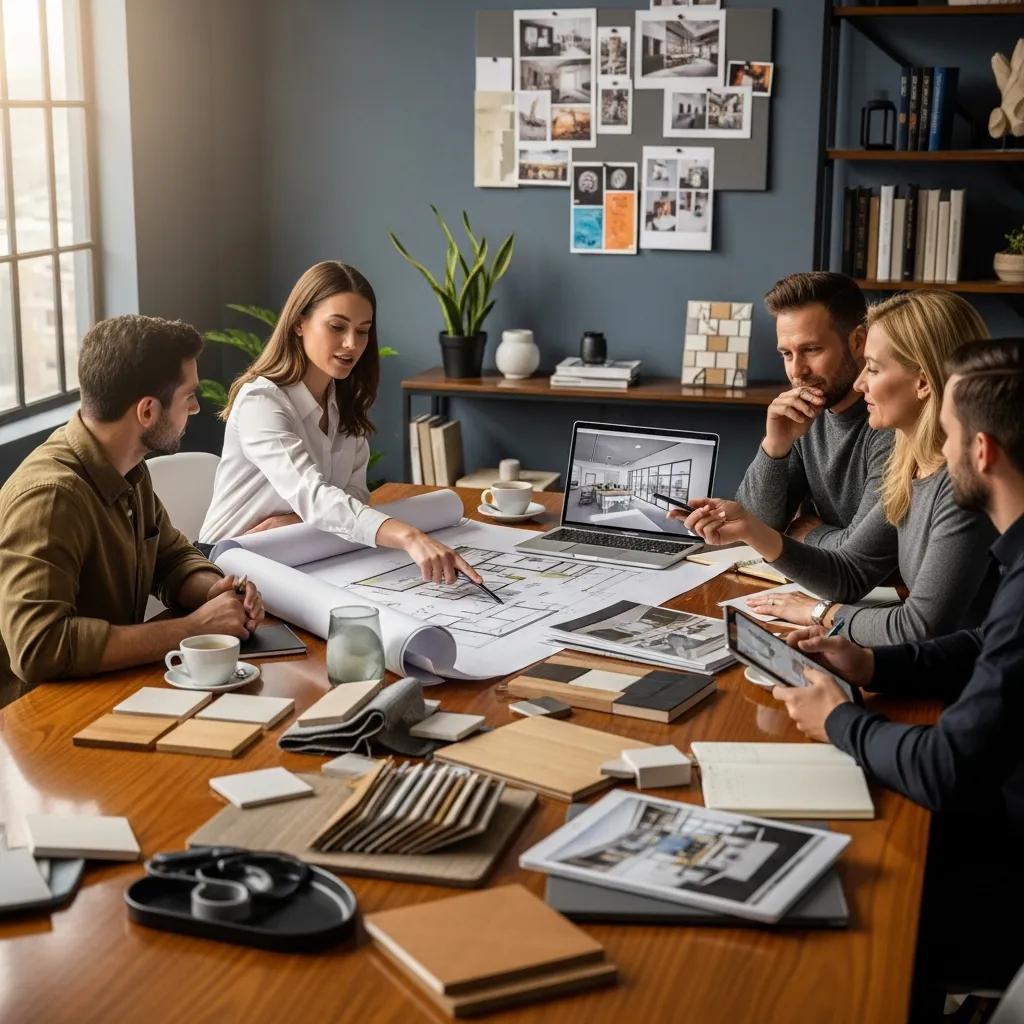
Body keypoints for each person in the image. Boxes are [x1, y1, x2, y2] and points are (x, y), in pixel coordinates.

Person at [770, 337, 1024, 998]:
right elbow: (983, 646)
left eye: (947, 435)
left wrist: (839, 720)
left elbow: (947, 770)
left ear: (982, 451)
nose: (938, 452)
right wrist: (873, 661)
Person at [677, 290, 997, 645]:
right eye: (786, 353)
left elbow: (918, 628)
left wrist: (820, 613)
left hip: (968, 680)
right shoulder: (911, 464)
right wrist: (751, 529)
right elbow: (851, 572)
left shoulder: (963, 485)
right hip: (925, 664)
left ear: (923, 381)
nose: (862, 383)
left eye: (873, 368)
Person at [0, 315, 264, 708]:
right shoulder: (51, 497)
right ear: (147, 411)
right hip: (43, 724)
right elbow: (39, 646)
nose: (194, 408)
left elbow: (172, 557)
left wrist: (214, 590)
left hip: (107, 692)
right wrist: (191, 628)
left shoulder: (128, 467)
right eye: (188, 395)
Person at [199, 261, 481, 586]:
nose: (352, 343)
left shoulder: (344, 403)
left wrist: (293, 520)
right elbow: (315, 494)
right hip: (223, 566)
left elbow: (355, 495)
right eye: (337, 327)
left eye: (363, 331)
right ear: (298, 323)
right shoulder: (262, 402)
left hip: (298, 552)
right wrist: (410, 537)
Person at [736, 271, 894, 550]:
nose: (797, 371)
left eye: (811, 349)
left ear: (858, 342)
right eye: (786, 354)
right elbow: (751, 531)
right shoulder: (804, 414)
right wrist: (775, 445)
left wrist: (807, 534)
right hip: (820, 582)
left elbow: (862, 555)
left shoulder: (891, 422)